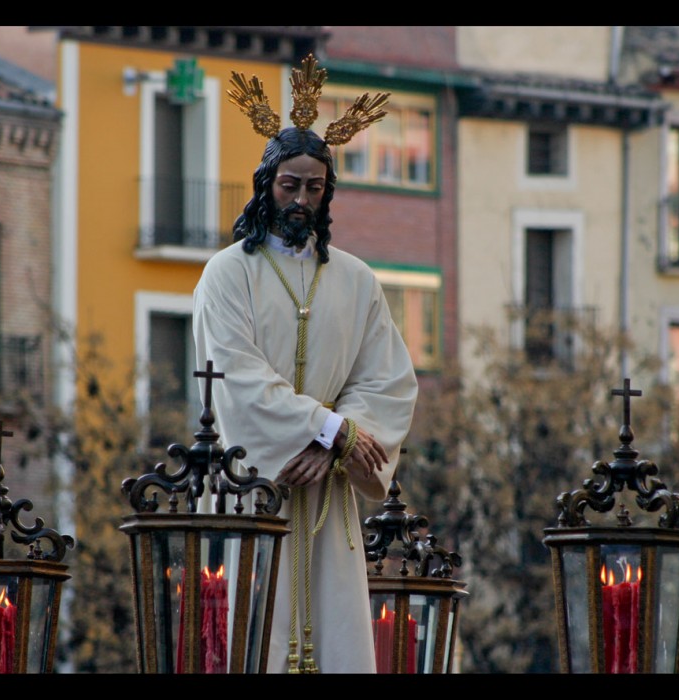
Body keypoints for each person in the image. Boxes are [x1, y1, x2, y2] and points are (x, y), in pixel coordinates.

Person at [192, 57, 418, 673]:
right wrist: (328, 428)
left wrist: (340, 440)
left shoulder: (357, 280)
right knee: (253, 640)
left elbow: (388, 380)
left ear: (327, 192)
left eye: (313, 188)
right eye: (289, 185)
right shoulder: (227, 274)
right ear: (266, 184)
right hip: (253, 491)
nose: (300, 199)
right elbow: (234, 375)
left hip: (331, 496)